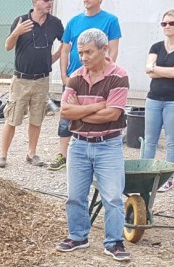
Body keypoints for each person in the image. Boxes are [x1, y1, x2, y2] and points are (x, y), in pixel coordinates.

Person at [56, 29, 130, 262]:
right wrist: (96, 107)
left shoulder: (118, 76)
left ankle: (114, 242)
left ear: (104, 49)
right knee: (75, 196)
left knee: (113, 197)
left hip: (108, 144)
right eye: (81, 53)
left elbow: (112, 115)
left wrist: (81, 112)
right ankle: (78, 236)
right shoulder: (76, 76)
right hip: (78, 144)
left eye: (89, 52)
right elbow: (65, 111)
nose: (84, 57)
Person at [49, 0, 121, 172]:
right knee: (66, 116)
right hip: (75, 78)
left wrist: (107, 73)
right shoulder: (74, 21)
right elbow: (65, 49)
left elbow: (113, 49)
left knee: (92, 112)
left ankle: (96, 154)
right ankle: (64, 154)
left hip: (98, 79)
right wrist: (64, 76)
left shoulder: (110, 20)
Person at [0, 0, 64, 168]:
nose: (50, 3)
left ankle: (31, 154)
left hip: (42, 80)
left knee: (37, 118)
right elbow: (8, 46)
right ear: (35, 2)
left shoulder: (55, 24)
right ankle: (3, 155)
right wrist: (16, 32)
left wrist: (53, 59)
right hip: (21, 80)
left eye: (51, 1)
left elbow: (66, 42)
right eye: (46, 0)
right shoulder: (20, 21)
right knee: (12, 118)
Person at [141, 9, 174, 192]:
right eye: (164, 23)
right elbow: (148, 70)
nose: (167, 27)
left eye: (172, 23)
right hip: (154, 98)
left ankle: (168, 178)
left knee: (172, 141)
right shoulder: (156, 46)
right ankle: (145, 175)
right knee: (149, 140)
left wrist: (156, 68)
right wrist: (170, 71)